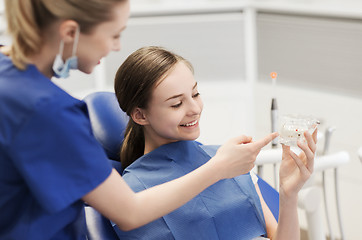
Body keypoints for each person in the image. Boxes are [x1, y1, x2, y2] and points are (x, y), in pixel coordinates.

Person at [0, 1, 278, 239]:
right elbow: (129, 212)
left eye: (195, 94)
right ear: (70, 32)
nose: (116, 47)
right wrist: (219, 167)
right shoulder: (49, 113)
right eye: (113, 35)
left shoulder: (7, 76)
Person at [114, 46, 318, 240]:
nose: (194, 108)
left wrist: (288, 194)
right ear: (140, 115)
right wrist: (218, 168)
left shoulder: (229, 159)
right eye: (177, 104)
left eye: (195, 94)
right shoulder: (132, 192)